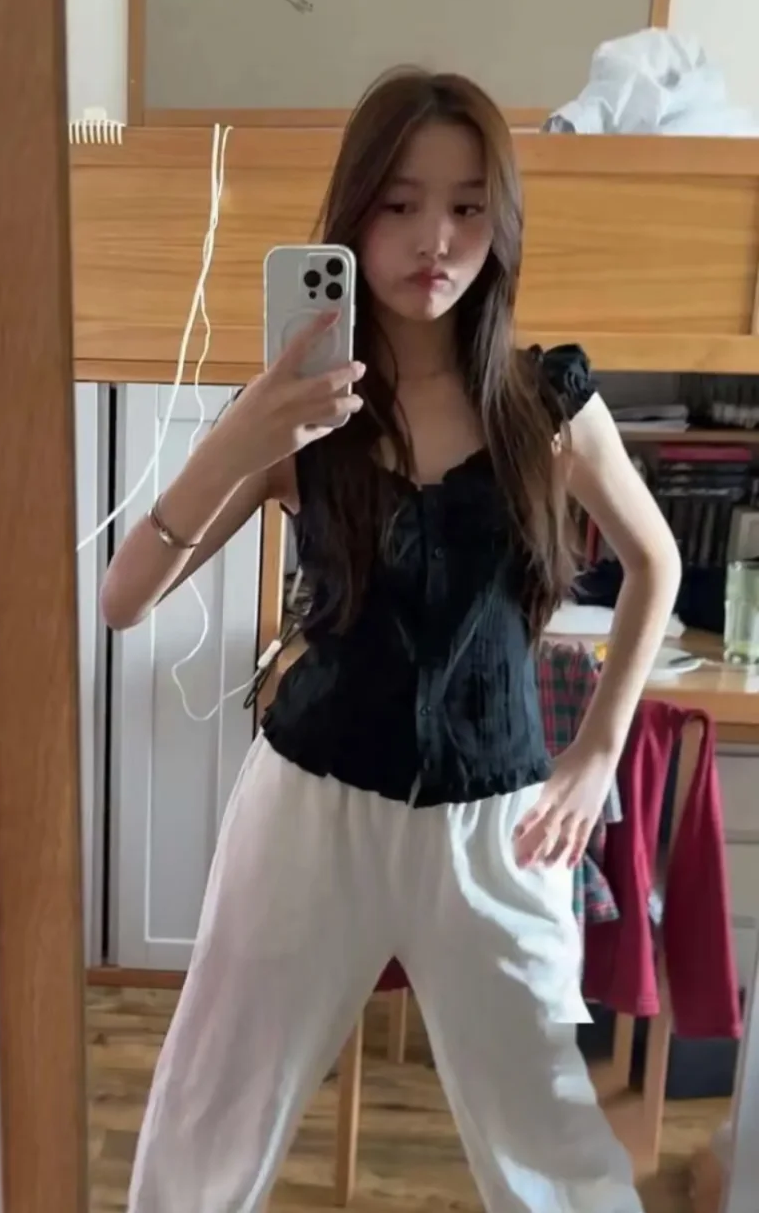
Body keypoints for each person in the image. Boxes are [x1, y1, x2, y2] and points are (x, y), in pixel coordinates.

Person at [100, 67, 681, 1213]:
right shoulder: (300, 412)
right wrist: (245, 434)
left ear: (500, 222)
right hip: (309, 807)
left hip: (496, 817)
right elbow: (124, 599)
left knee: (547, 1137)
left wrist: (599, 753)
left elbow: (655, 565)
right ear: (355, 214)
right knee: (214, 1105)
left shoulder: (548, 403)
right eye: (401, 204)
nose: (435, 239)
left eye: (467, 206)